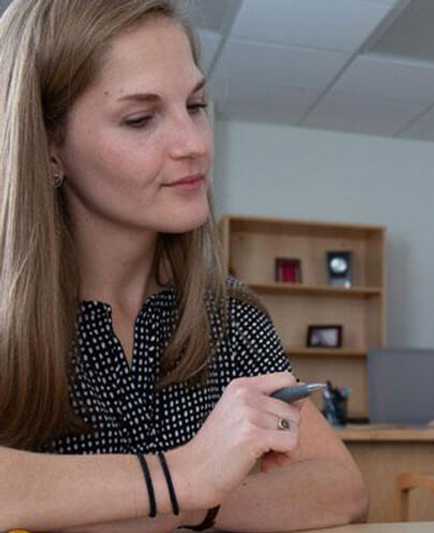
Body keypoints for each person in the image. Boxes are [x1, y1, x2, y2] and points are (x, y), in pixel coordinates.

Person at [0, 0, 367, 531]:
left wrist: (190, 502)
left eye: (195, 106)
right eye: (140, 119)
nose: (195, 145)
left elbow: (341, 488)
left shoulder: (231, 314)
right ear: (49, 147)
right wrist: (184, 475)